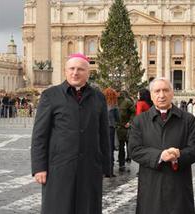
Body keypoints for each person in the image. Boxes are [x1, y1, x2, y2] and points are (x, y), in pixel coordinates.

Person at [31, 53, 111, 214]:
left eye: (80, 69)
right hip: (59, 168)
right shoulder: (50, 95)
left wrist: (106, 166)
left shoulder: (98, 97)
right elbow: (40, 135)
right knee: (59, 208)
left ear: (88, 73)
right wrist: (39, 167)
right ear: (65, 71)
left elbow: (104, 134)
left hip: (90, 167)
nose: (75, 73)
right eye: (72, 69)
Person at [129, 77, 195, 214]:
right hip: (151, 186)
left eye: (165, 90)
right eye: (157, 91)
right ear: (151, 95)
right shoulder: (139, 121)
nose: (161, 95)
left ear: (172, 93)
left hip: (179, 186)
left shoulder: (188, 120)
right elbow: (134, 150)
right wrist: (160, 155)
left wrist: (178, 155)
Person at [103, 87, 120, 177]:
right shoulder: (113, 105)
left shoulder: (100, 103)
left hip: (100, 128)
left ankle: (102, 170)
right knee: (110, 149)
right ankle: (109, 171)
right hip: (110, 128)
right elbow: (118, 118)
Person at [117, 90, 135, 169]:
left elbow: (133, 112)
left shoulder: (127, 102)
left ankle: (128, 158)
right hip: (118, 127)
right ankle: (121, 163)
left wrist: (130, 122)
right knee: (121, 146)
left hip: (126, 127)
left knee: (127, 143)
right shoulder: (114, 101)